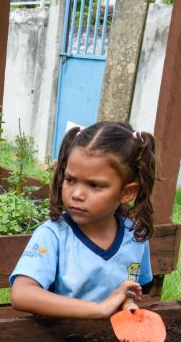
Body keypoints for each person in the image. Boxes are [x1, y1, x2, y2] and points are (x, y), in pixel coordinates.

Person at [9, 122, 160, 319]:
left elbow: (130, 290)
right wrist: (98, 310)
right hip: (58, 341)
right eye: (70, 180)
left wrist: (126, 301)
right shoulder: (53, 235)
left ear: (127, 192)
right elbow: (22, 294)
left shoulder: (135, 235)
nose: (77, 194)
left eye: (94, 185)